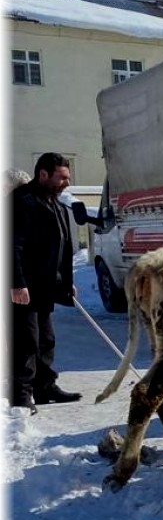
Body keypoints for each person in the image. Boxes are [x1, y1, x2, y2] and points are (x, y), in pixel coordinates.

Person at [9, 153, 82, 413]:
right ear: (43, 174)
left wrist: (65, 281)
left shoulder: (55, 204)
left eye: (68, 178)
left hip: (44, 286)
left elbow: (60, 247)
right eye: (61, 178)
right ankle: (20, 395)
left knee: (45, 339)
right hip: (24, 286)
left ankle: (45, 387)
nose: (66, 183)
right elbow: (12, 246)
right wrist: (16, 283)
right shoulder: (22, 202)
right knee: (26, 340)